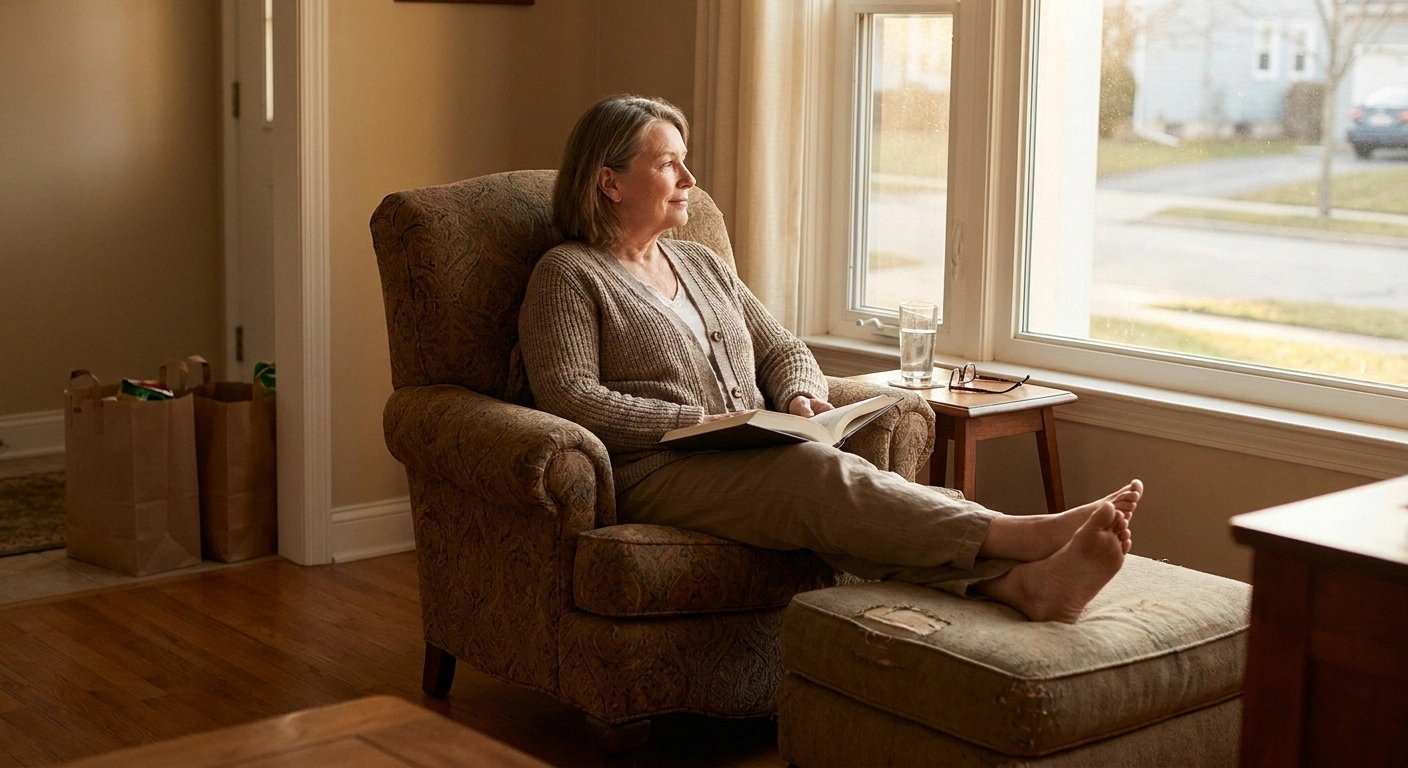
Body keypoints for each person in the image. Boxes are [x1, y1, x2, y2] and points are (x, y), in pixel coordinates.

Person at [519, 95, 1141, 623]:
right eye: (668, 165)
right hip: (653, 471)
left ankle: (1017, 587)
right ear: (610, 181)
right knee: (816, 476)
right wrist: (687, 422)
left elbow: (784, 347)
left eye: (686, 163)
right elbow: (572, 396)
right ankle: (1020, 533)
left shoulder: (700, 264)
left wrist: (796, 395)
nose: (690, 181)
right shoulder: (569, 275)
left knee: (852, 496)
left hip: (747, 450)